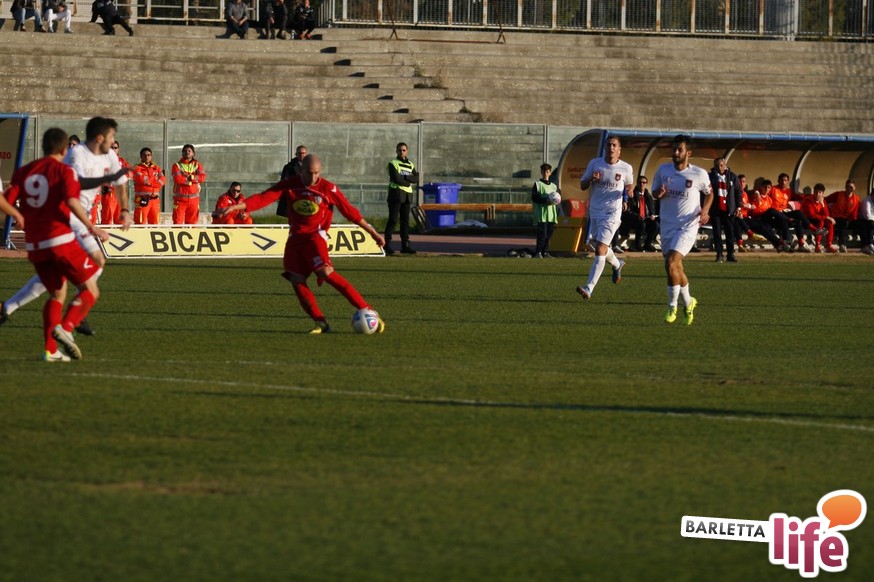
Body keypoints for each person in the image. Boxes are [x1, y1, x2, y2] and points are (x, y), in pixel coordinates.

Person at [219, 154, 385, 334]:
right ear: (301, 170)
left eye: (317, 173)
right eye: (309, 173)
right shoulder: (291, 184)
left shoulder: (328, 188)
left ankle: (369, 310)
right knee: (296, 279)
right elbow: (264, 197)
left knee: (325, 272)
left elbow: (350, 212)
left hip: (316, 238)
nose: (313, 177)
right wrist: (236, 207)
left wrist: (373, 233)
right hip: (295, 239)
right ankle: (320, 323)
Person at [1, 117, 131, 336]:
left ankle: (9, 307)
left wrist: (125, 210)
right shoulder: (76, 154)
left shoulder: (110, 155)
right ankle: (78, 309)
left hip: (80, 214)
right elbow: (76, 185)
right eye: (112, 136)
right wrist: (107, 180)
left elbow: (121, 184)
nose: (114, 141)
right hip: (69, 215)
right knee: (93, 262)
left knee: (57, 277)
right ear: (100, 138)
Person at [651, 135, 713, 325]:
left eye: (680, 149)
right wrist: (659, 193)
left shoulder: (698, 173)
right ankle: (688, 302)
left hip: (688, 225)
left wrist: (705, 210)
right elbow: (654, 193)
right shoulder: (663, 170)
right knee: (675, 268)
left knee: (671, 262)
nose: (676, 152)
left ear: (688, 153)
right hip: (667, 225)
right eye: (674, 149)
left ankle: (672, 307)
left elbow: (709, 193)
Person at [575, 135, 633, 301]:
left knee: (600, 248)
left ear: (619, 149)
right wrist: (591, 179)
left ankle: (589, 288)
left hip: (612, 213)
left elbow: (629, 185)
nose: (611, 148)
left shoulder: (626, 168)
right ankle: (617, 264)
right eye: (609, 145)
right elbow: (583, 185)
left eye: (614, 145)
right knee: (598, 245)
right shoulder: (595, 164)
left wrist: (628, 194)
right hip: (595, 211)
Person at [384, 142, 418, 255]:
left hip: (407, 196)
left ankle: (405, 246)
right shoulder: (393, 163)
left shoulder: (411, 164)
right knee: (393, 220)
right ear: (396, 151)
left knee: (405, 221)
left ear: (407, 151)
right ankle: (386, 245)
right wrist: (408, 182)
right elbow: (396, 179)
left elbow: (416, 178)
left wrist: (405, 177)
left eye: (404, 150)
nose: (402, 152)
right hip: (396, 194)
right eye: (399, 150)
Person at [771, 172, 817, 252]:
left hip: (785, 213)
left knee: (798, 217)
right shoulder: (773, 189)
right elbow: (763, 192)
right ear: (778, 181)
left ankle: (802, 242)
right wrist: (757, 193)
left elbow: (799, 197)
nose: (783, 182)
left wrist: (811, 196)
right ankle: (787, 243)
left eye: (785, 180)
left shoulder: (789, 191)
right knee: (784, 220)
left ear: (787, 182)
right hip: (776, 214)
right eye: (782, 180)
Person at [707, 157, 742, 263]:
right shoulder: (710, 177)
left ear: (725, 165)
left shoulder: (732, 176)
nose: (719, 167)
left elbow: (738, 192)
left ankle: (730, 254)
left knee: (730, 233)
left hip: (729, 209)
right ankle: (719, 254)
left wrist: (738, 207)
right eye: (717, 165)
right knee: (717, 233)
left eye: (721, 165)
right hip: (716, 209)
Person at [171, 144, 206, 225]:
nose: (187, 152)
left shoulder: (197, 165)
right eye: (185, 151)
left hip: (194, 200)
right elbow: (178, 179)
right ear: (182, 153)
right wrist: (191, 181)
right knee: (177, 223)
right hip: (180, 200)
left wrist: (192, 177)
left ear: (193, 153)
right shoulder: (176, 165)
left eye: (189, 151)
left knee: (192, 224)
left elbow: (202, 177)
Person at [531, 163, 559, 258]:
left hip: (551, 214)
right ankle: (538, 252)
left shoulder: (554, 186)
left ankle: (545, 252)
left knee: (549, 234)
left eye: (547, 172)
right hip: (542, 214)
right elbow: (534, 197)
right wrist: (545, 200)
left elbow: (557, 198)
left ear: (550, 173)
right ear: (541, 172)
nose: (545, 173)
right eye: (543, 171)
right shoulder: (537, 184)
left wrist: (556, 201)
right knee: (542, 234)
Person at [623, 175, 657, 252]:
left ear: (646, 184)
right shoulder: (632, 195)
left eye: (644, 182)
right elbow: (628, 210)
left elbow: (652, 209)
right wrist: (637, 216)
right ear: (637, 183)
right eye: (640, 182)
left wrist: (652, 214)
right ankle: (637, 245)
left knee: (656, 225)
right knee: (642, 224)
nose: (642, 184)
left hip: (645, 218)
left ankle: (647, 244)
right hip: (633, 219)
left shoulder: (648, 196)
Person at [132, 147, 166, 225]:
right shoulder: (137, 168)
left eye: (149, 155)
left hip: (155, 200)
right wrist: (155, 180)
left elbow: (163, 180)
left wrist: (151, 181)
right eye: (144, 155)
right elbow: (142, 180)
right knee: (140, 222)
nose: (147, 157)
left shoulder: (157, 168)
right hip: (142, 200)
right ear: (141, 157)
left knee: (155, 222)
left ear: (151, 156)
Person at [99, 140, 130, 225]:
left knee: (120, 220)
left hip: (120, 193)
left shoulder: (122, 161)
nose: (113, 149)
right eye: (111, 148)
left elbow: (129, 173)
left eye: (115, 148)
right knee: (107, 218)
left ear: (118, 149)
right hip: (109, 193)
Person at [826, 180, 861, 252]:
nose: (849, 188)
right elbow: (826, 200)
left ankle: (866, 245)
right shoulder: (838, 195)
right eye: (847, 186)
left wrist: (853, 221)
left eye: (851, 187)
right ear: (845, 187)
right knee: (842, 223)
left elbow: (855, 213)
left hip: (849, 220)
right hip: (837, 219)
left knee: (863, 223)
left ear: (854, 188)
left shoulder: (856, 199)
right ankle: (842, 244)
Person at [801, 183, 836, 253]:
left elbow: (827, 215)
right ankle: (817, 245)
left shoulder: (822, 201)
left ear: (823, 193)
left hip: (818, 220)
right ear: (813, 192)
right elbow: (811, 215)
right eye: (816, 192)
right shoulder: (808, 200)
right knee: (821, 221)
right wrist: (826, 217)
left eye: (819, 192)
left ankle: (829, 245)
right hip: (807, 221)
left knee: (829, 223)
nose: (817, 194)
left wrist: (822, 204)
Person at [277, 145, 308, 218]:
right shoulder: (289, 167)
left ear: (306, 154)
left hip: (307, 196)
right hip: (292, 196)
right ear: (296, 154)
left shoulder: (311, 166)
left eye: (303, 153)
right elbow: (283, 181)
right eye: (300, 153)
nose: (302, 155)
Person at [859, 189, 874, 255]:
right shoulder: (866, 201)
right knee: (871, 224)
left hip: (871, 220)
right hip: (862, 220)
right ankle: (869, 244)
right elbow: (867, 215)